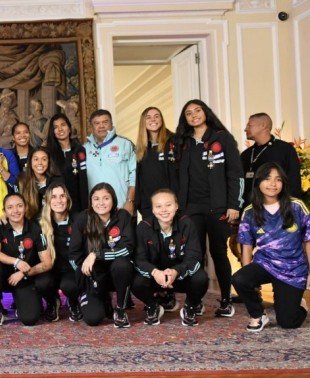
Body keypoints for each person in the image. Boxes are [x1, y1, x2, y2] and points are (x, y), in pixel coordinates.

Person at [175, 99, 243, 317]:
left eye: (197, 110)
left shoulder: (222, 138)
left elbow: (235, 174)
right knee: (194, 255)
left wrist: (234, 204)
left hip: (218, 207)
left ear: (206, 113)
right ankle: (195, 301)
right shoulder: (182, 142)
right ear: (184, 119)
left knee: (218, 252)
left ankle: (225, 299)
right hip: (190, 208)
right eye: (188, 113)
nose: (194, 115)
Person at [233, 163, 309, 331]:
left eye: (278, 179)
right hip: (264, 264)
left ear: (283, 183)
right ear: (258, 182)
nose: (273, 184)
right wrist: (248, 277)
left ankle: (300, 305)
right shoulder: (250, 212)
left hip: (293, 269)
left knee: (288, 322)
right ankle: (258, 315)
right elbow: (246, 246)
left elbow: (308, 241)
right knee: (239, 278)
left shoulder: (296, 206)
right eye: (267, 179)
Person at [132, 189, 209, 327]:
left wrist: (176, 271)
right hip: (155, 277)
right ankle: (153, 306)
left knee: (201, 277)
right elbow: (139, 260)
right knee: (135, 282)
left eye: (168, 205)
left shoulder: (187, 223)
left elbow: (195, 256)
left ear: (176, 206)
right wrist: (155, 272)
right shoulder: (143, 227)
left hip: (180, 276)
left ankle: (190, 307)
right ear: (153, 210)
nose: (164, 210)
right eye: (158, 206)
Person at [69, 183, 135, 328]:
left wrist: (96, 254)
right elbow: (74, 254)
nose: (101, 203)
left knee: (122, 264)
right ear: (91, 202)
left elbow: (127, 249)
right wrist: (83, 275)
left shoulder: (123, 216)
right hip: (94, 276)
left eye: (106, 198)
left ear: (113, 200)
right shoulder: (82, 218)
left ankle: (120, 308)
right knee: (93, 319)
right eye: (96, 199)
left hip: (116, 273)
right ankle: (102, 299)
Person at [0, 193, 55, 326]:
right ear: (4, 211)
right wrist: (16, 262)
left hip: (26, 279)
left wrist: (24, 272)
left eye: (19, 206)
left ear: (26, 207)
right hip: (6, 277)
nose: (15, 211)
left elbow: (47, 263)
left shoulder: (36, 228)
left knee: (30, 319)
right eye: (10, 207)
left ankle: (33, 300)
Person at [38, 183, 83, 321]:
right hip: (50, 269)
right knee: (41, 283)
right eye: (54, 197)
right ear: (47, 201)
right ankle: (52, 302)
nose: (59, 201)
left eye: (62, 196)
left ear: (67, 199)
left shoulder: (78, 219)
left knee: (69, 285)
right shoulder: (40, 223)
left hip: (70, 270)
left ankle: (73, 301)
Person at [241, 113, 302, 206]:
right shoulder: (246, 154)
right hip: (251, 211)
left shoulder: (285, 149)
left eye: (249, 125)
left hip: (279, 210)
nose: (245, 129)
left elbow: (294, 183)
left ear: (263, 126)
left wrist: (291, 209)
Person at [83, 109, 136, 214]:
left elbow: (135, 175)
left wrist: (130, 201)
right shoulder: (83, 150)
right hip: (95, 210)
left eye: (105, 122)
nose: (101, 126)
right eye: (97, 123)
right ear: (91, 127)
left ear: (111, 124)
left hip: (121, 207)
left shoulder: (126, 144)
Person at [134, 107, 178, 218]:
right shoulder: (140, 148)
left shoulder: (175, 141)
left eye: (156, 116)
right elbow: (139, 179)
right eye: (148, 117)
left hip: (171, 204)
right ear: (143, 122)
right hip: (149, 206)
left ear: (161, 119)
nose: (153, 120)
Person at [45, 113, 89, 213]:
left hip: (77, 204)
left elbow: (83, 179)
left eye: (63, 125)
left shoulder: (79, 150)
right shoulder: (48, 152)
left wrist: (85, 209)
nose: (60, 129)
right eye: (56, 127)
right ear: (53, 132)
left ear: (69, 128)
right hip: (56, 204)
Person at [18, 148, 63, 221]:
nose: (40, 163)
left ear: (49, 162)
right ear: (30, 162)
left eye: (44, 159)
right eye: (36, 159)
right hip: (31, 224)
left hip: (53, 222)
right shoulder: (22, 180)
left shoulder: (57, 180)